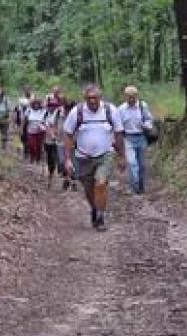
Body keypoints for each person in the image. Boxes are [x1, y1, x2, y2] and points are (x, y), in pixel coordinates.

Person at [63, 83, 125, 230]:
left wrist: (122, 157)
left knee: (101, 184)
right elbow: (68, 135)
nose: (92, 101)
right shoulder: (77, 112)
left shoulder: (111, 111)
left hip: (105, 155)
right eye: (89, 98)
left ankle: (101, 217)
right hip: (83, 157)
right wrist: (67, 159)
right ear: (84, 98)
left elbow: (118, 134)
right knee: (89, 188)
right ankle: (95, 209)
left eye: (95, 97)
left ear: (100, 97)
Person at [118, 85, 154, 194]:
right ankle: (135, 187)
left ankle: (141, 186)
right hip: (128, 138)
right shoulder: (121, 109)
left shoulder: (143, 106)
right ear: (125, 97)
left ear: (136, 96)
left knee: (142, 164)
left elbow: (149, 119)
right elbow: (117, 125)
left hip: (141, 137)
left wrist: (146, 125)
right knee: (132, 163)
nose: (131, 99)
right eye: (129, 97)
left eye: (133, 97)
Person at [43, 96, 65, 188]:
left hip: (59, 141)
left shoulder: (60, 114)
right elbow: (46, 126)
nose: (52, 107)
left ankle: (65, 179)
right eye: (50, 105)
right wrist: (51, 134)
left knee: (61, 160)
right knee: (50, 160)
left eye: (54, 105)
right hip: (49, 141)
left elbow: (62, 126)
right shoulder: (46, 114)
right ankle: (50, 178)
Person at [24, 94, 46, 165]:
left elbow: (46, 120)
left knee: (39, 146)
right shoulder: (29, 110)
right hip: (30, 131)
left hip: (40, 131)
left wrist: (43, 126)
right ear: (33, 105)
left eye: (37, 104)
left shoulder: (43, 111)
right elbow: (25, 119)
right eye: (35, 104)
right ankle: (32, 157)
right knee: (31, 145)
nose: (36, 105)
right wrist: (22, 128)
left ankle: (38, 159)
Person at [15, 85, 32, 158]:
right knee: (21, 135)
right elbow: (17, 110)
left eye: (28, 89)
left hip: (29, 119)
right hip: (21, 118)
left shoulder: (33, 98)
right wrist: (16, 120)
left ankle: (26, 151)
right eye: (25, 90)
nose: (26, 91)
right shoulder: (21, 99)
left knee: (28, 135)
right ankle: (21, 148)